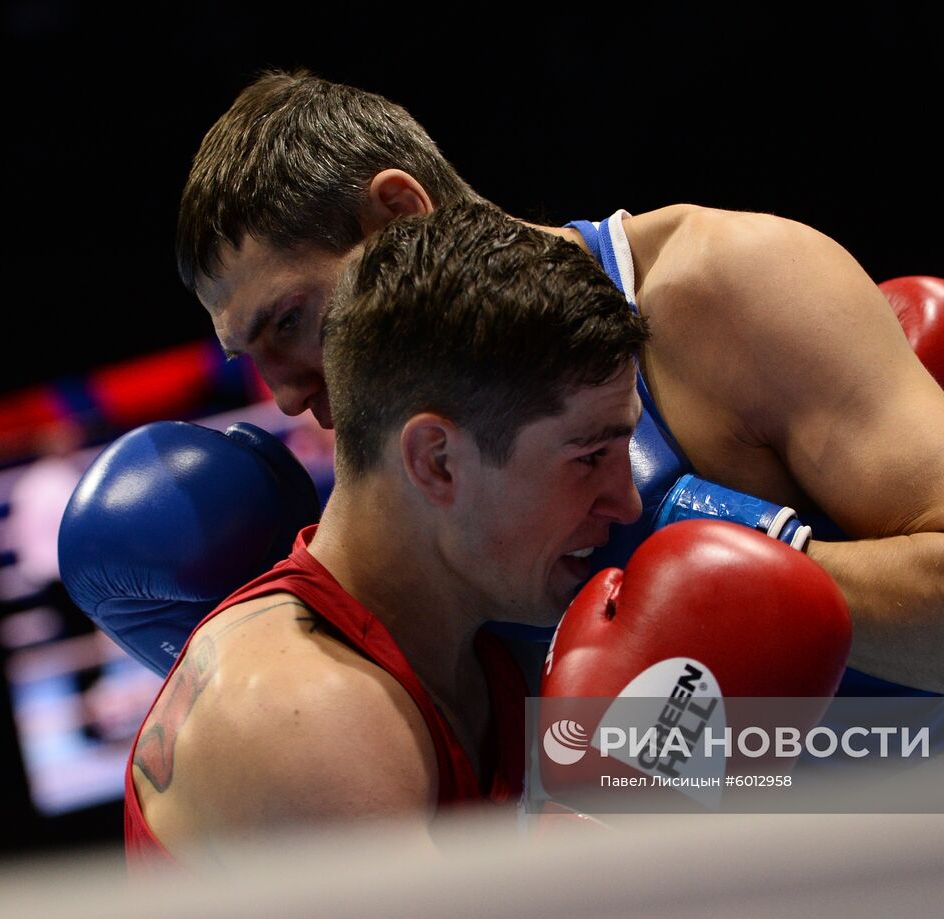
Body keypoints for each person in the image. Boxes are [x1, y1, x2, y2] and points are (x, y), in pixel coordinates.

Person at [173, 71, 944, 738]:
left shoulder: (727, 288)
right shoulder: (397, 471)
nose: (287, 391)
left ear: (397, 218)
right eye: (250, 356)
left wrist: (701, 552)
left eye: (289, 320)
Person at [122, 204, 851, 867]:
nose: (630, 503)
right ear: (437, 460)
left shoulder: (480, 649)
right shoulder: (302, 714)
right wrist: (608, 819)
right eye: (589, 455)